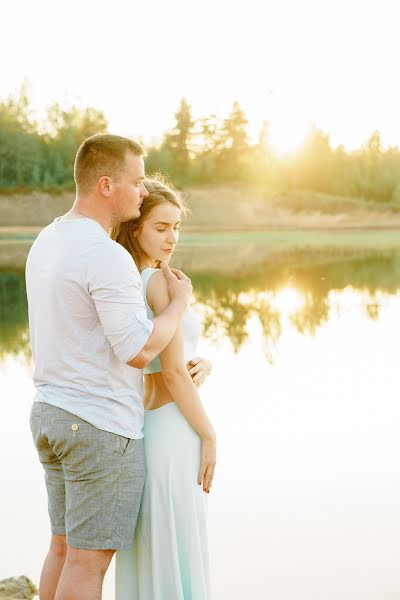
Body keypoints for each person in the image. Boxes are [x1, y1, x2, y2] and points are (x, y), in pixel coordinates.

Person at [25, 134, 195, 600]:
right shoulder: (106, 255)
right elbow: (138, 350)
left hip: (50, 412)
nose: (143, 192)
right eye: (137, 181)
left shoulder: (49, 238)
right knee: (88, 564)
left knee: (61, 548)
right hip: (98, 427)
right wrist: (177, 306)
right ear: (106, 185)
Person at [111, 177, 217, 600]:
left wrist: (204, 361)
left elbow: (169, 362)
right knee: (176, 536)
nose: (172, 237)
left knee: (161, 540)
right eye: (161, 227)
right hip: (173, 429)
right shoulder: (157, 284)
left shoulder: (134, 280)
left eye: (177, 227)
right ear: (135, 228)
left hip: (153, 425)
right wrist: (209, 435)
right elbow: (171, 374)